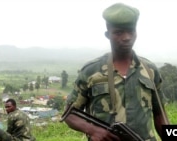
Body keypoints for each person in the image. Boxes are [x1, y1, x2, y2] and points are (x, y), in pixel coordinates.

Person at [63, 2, 169, 141]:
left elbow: (159, 115)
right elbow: (69, 114)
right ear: (108, 34)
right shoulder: (91, 71)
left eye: (131, 31)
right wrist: (93, 130)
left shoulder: (150, 70)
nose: (126, 37)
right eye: (119, 32)